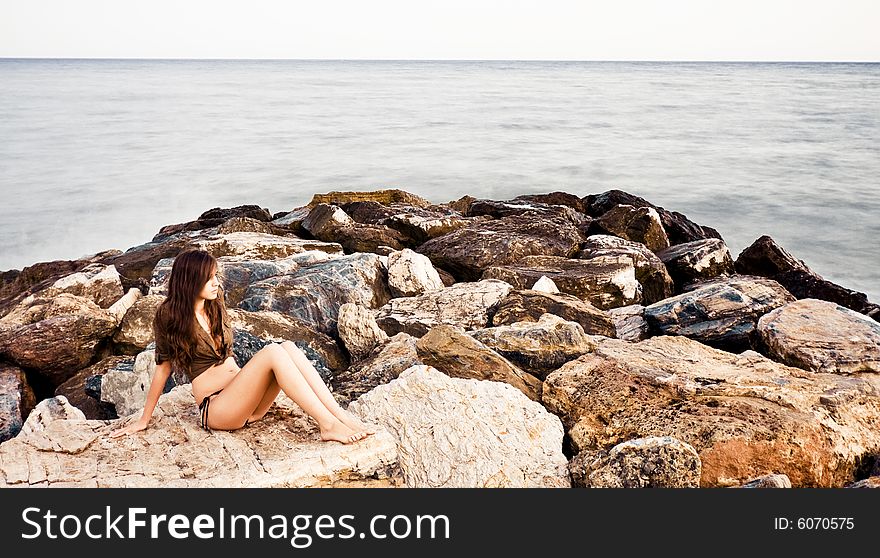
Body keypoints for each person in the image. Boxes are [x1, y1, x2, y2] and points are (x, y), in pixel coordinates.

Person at [109, 249, 375, 444]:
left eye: (215, 276)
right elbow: (163, 368)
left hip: (249, 404)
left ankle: (339, 415)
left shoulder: (215, 303)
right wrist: (144, 420)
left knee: (289, 347)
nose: (216, 283)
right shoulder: (169, 315)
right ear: (190, 280)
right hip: (218, 409)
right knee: (272, 352)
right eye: (209, 278)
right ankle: (327, 425)